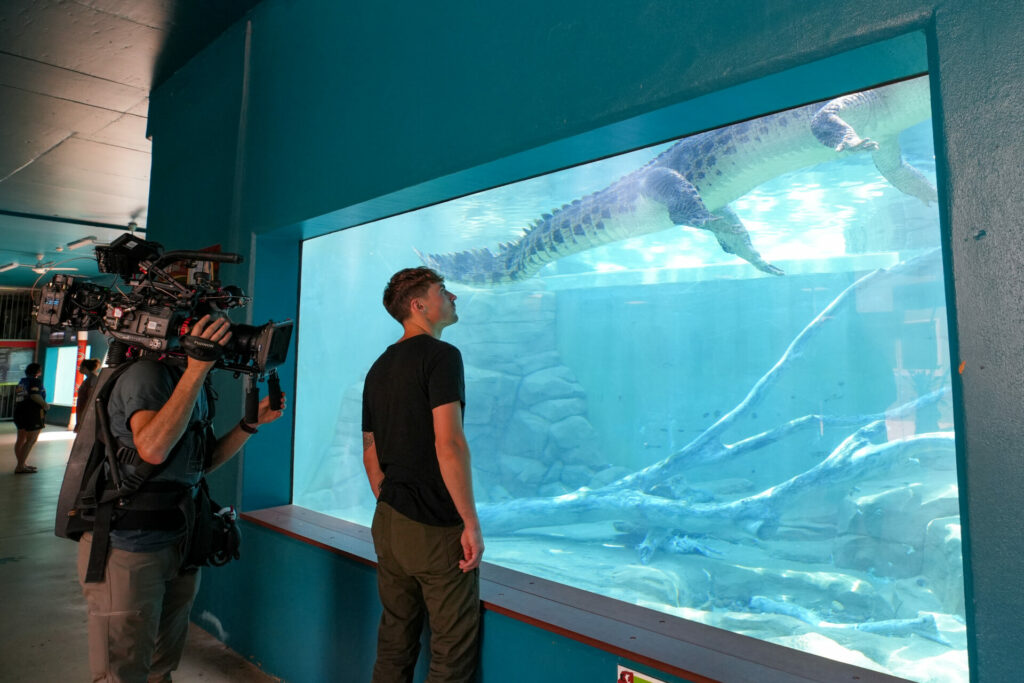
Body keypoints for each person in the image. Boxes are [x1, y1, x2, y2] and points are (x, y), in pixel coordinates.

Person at [77, 314, 286, 683]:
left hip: (179, 543)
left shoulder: (187, 380)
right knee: (121, 673)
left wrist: (249, 425)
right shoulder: (146, 374)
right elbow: (153, 450)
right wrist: (196, 371)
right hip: (130, 547)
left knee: (161, 667)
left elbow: (197, 465)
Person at [362, 267, 484, 683]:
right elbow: (448, 444)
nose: (453, 297)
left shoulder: (378, 367)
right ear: (419, 306)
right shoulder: (441, 357)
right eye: (443, 291)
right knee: (451, 649)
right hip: (433, 527)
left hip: (389, 522)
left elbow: (370, 452)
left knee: (395, 639)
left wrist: (391, 500)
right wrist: (469, 522)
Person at [12, 362, 48, 473]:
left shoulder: (22, 381)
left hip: (19, 411)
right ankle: (20, 466)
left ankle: (21, 463)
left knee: (21, 439)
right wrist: (44, 405)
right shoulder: (35, 381)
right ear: (37, 371)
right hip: (32, 413)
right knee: (31, 440)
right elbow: (34, 395)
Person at [74, 358, 101, 433]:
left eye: (81, 366)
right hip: (83, 410)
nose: (79, 368)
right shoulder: (89, 379)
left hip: (86, 411)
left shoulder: (92, 379)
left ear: (85, 368)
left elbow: (91, 397)